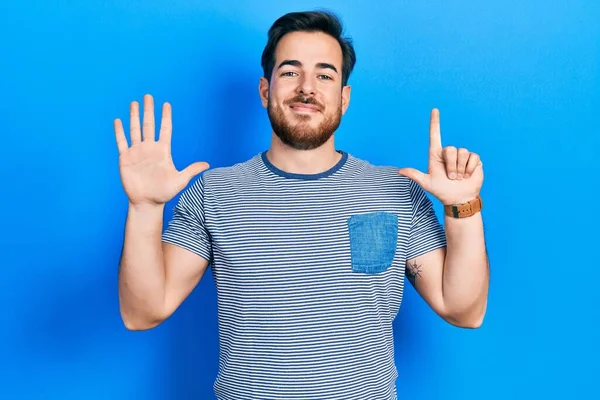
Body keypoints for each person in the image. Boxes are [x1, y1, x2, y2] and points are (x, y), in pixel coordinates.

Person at [114, 10, 489, 400]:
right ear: (265, 90)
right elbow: (142, 312)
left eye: (325, 75)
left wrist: (463, 207)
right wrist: (144, 207)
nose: (307, 87)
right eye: (291, 72)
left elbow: (464, 310)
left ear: (344, 98)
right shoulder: (214, 192)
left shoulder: (393, 191)